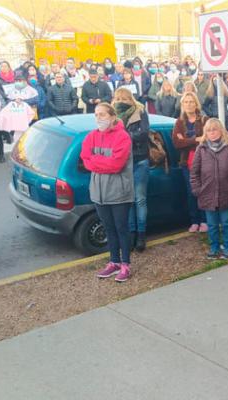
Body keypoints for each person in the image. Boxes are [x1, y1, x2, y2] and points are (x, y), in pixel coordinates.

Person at [80, 103, 134, 282]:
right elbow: (85, 160)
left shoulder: (123, 137)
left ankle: (126, 264)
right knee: (109, 229)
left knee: (121, 229)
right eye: (96, 115)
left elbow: (116, 165)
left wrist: (96, 161)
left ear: (112, 116)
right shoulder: (91, 136)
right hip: (99, 192)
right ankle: (114, 262)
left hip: (118, 192)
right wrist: (103, 162)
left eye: (102, 115)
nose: (98, 118)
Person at [190, 118, 228, 259]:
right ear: (205, 133)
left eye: (214, 129)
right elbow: (194, 172)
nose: (212, 133)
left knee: (227, 223)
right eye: (209, 130)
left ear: (221, 130)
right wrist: (197, 189)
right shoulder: (201, 149)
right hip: (207, 194)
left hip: (227, 193)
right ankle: (214, 247)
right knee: (212, 224)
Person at [112, 87, 151, 252]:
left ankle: (141, 235)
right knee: (127, 201)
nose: (122, 101)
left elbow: (144, 134)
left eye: (125, 98)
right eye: (119, 98)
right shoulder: (112, 116)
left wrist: (125, 137)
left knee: (140, 199)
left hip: (140, 160)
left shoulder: (140, 112)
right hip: (123, 163)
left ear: (131, 99)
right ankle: (131, 234)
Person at [173, 92, 210, 233]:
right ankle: (194, 221)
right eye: (186, 102)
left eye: (191, 101)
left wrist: (186, 140)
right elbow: (177, 143)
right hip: (186, 163)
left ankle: (204, 220)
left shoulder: (204, 120)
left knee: (204, 192)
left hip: (203, 161)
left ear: (196, 104)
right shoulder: (179, 122)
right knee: (191, 192)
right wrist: (195, 139)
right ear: (182, 105)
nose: (189, 104)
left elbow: (207, 139)